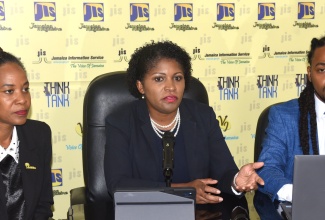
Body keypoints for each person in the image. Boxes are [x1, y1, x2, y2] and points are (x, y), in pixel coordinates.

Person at [104, 41, 264, 205]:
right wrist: (184, 191)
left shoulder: (203, 116)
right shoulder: (121, 121)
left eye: (177, 78)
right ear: (141, 86)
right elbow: (119, 185)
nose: (171, 87)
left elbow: (223, 171)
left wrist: (236, 181)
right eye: (159, 79)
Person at [254, 36, 325, 218]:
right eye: (322, 70)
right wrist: (300, 195)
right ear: (309, 73)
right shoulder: (284, 116)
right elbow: (268, 169)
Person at [0, 48, 53, 219]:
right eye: (9, 91)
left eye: (25, 89)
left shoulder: (39, 135)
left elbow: (42, 206)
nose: (22, 99)